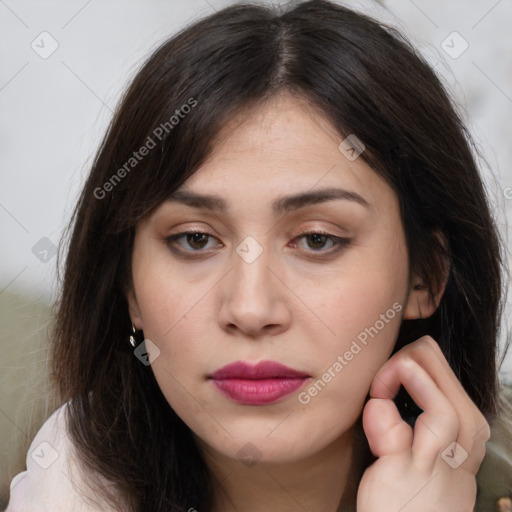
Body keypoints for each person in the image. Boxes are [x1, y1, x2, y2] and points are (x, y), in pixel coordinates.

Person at [5, 1, 512, 511]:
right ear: (129, 288)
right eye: (195, 239)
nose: (250, 309)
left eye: (317, 239)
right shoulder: (60, 488)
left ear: (425, 275)